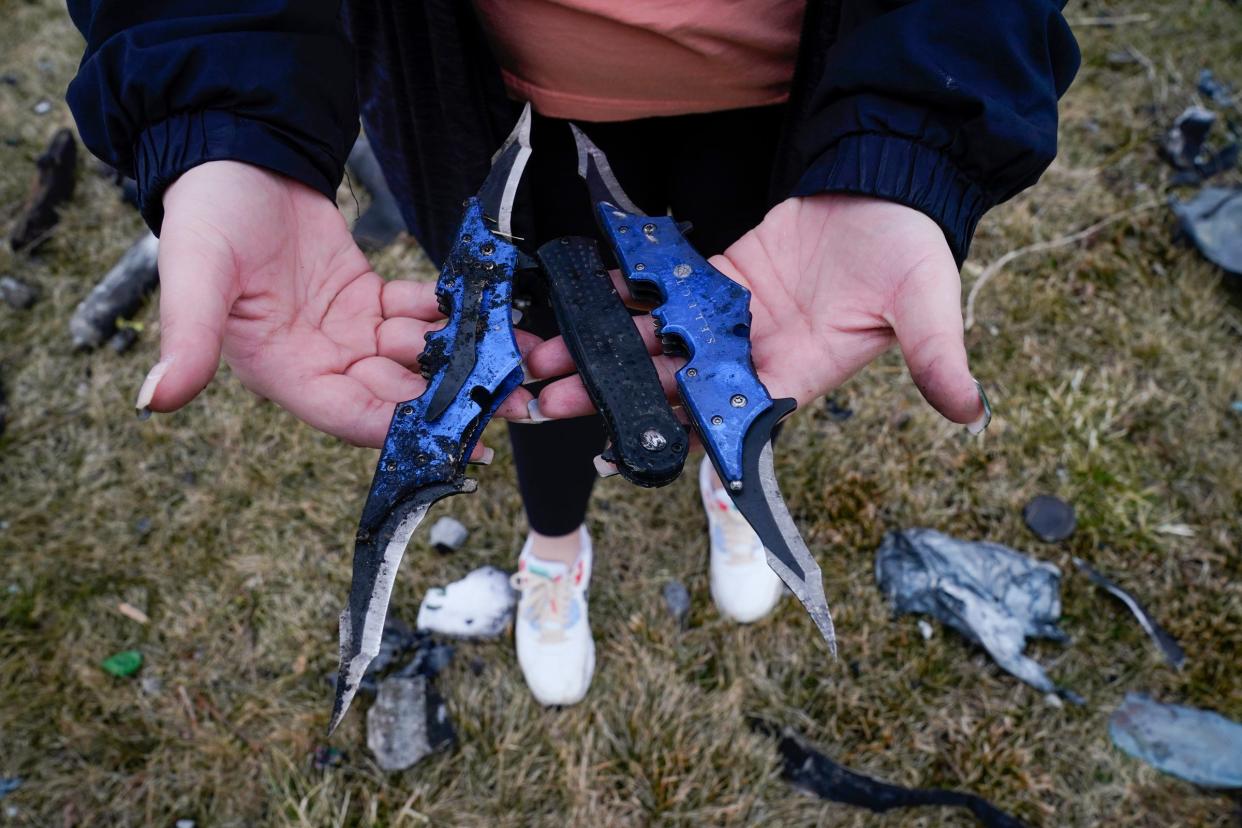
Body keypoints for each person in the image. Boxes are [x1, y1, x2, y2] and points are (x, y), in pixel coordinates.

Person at [67, 1, 1079, 707]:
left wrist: (913, 132)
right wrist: (219, 111)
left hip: (799, 95)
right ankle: (556, 547)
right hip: (483, 86)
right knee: (522, 363)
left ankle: (734, 468)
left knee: (742, 339)